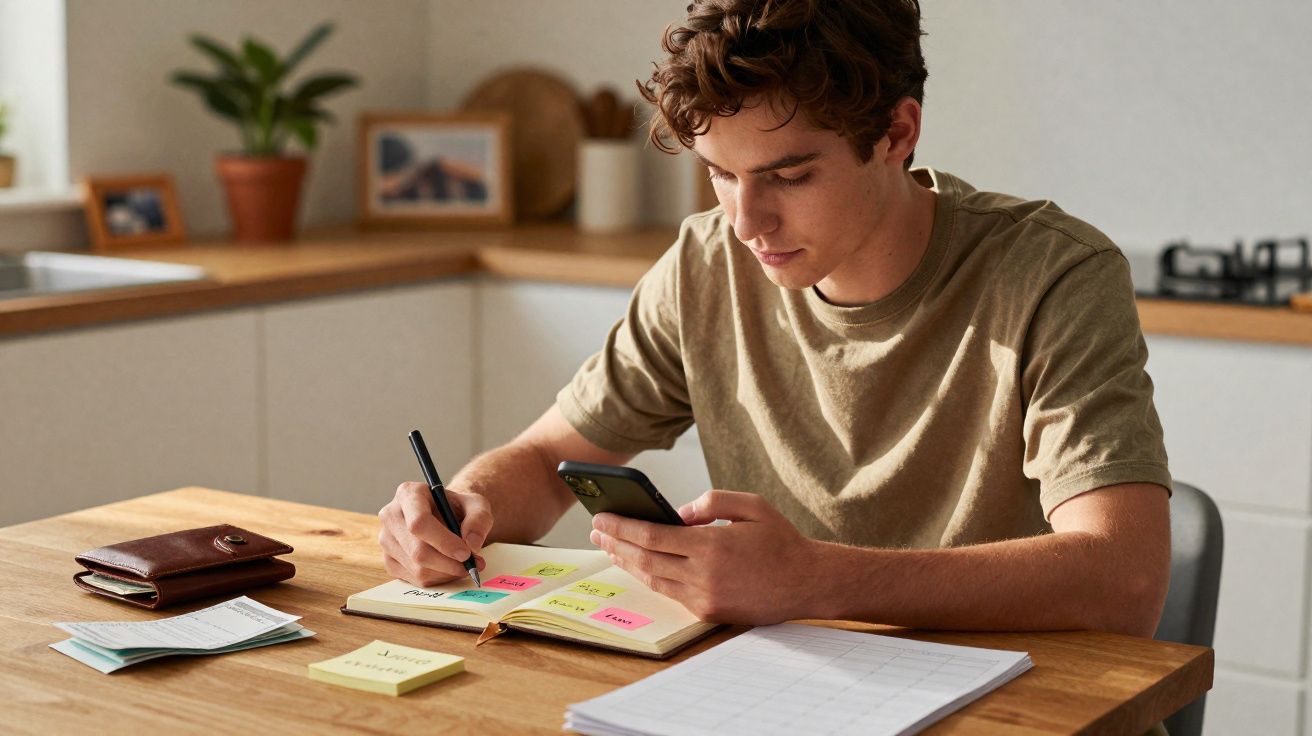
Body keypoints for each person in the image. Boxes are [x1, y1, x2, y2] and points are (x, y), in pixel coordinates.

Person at [378, 0, 1172, 641]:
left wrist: (816, 581)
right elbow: (549, 456)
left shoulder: (1054, 275)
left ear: (896, 133)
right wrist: (457, 508)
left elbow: (1124, 581)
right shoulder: (704, 265)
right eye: (721, 174)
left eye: (788, 175)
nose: (747, 220)